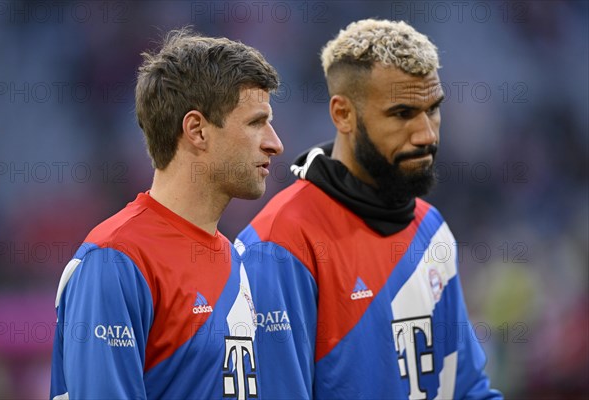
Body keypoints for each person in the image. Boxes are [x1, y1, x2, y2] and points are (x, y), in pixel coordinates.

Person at [237, 19, 503, 399]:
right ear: (343, 114)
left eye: (433, 109)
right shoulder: (280, 245)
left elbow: (467, 389)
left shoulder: (431, 229)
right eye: (402, 114)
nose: (427, 134)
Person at [50, 28, 283, 399]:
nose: (275, 143)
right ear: (197, 130)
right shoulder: (115, 261)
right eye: (256, 122)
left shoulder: (234, 259)